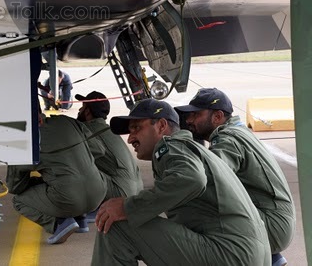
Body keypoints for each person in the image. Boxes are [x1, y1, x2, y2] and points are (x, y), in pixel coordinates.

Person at [91, 98, 271, 265]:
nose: (130, 139)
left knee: (114, 225)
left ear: (161, 126)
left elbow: (192, 178)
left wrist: (128, 207)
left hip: (231, 253)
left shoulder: (172, 146)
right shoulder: (194, 150)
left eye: (136, 128)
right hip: (248, 254)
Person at [175, 88, 295, 266]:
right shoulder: (239, 131)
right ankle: (273, 260)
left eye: (196, 114)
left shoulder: (227, 139)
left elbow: (210, 179)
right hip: (276, 221)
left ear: (217, 116)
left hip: (272, 225)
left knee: (193, 209)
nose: (189, 120)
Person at [6, 114, 108, 244]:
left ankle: (60, 223)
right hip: (99, 192)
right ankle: (80, 219)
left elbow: (14, 186)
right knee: (69, 178)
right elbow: (98, 150)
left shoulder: (26, 140)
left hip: (71, 198)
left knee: (19, 201)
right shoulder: (67, 121)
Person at [75, 91, 143, 220]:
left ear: (88, 111)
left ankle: (80, 212)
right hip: (136, 191)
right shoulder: (109, 130)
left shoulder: (86, 130)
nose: (80, 109)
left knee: (73, 163)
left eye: (83, 107)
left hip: (121, 193)